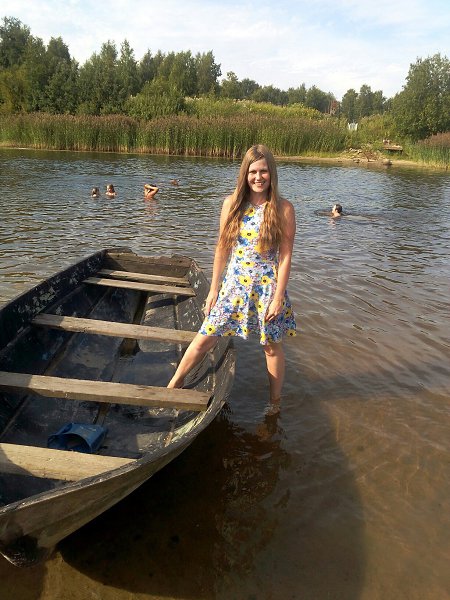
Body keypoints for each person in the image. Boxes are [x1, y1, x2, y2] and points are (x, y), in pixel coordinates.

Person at [167, 144, 297, 404]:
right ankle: (173, 385)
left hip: (267, 288)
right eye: (252, 172)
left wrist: (278, 297)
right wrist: (213, 289)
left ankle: (275, 402)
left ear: (271, 173)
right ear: (244, 174)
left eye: (263, 171)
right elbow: (222, 249)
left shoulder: (283, 209)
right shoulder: (232, 204)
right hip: (234, 285)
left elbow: (285, 257)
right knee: (206, 336)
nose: (258, 177)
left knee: (271, 347)